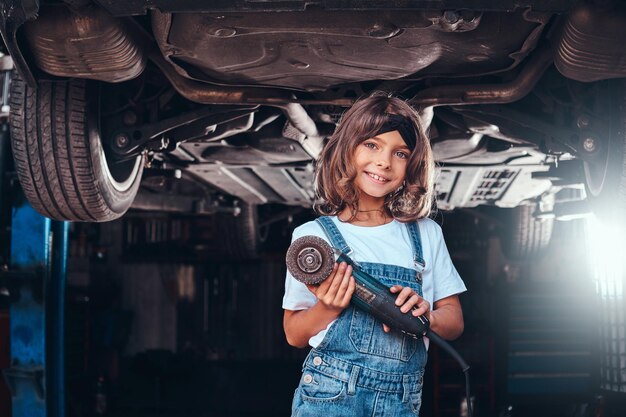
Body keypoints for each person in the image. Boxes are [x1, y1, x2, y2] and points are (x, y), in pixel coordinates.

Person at [282, 92, 467, 416]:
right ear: (348, 149)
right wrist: (327, 307)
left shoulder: (425, 234)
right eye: (372, 145)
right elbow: (294, 333)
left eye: (400, 153)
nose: (384, 161)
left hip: (401, 401)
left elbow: (455, 322)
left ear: (411, 165)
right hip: (330, 396)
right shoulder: (314, 237)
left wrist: (429, 316)